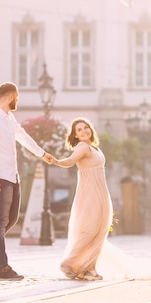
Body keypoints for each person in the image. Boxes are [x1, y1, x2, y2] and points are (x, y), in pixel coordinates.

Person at [0, 82, 56, 281]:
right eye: (17, 97)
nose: (18, 101)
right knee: (0, 222)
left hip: (12, 175)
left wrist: (42, 154)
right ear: (11, 96)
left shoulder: (9, 118)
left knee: (12, 219)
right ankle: (3, 267)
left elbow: (23, 137)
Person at [52, 117, 111, 281]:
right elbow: (71, 160)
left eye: (86, 127)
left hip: (101, 191)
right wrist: (57, 161)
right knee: (91, 229)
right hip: (90, 193)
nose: (84, 131)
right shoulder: (83, 147)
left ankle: (89, 268)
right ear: (76, 135)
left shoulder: (94, 147)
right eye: (79, 129)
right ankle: (70, 262)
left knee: (100, 229)